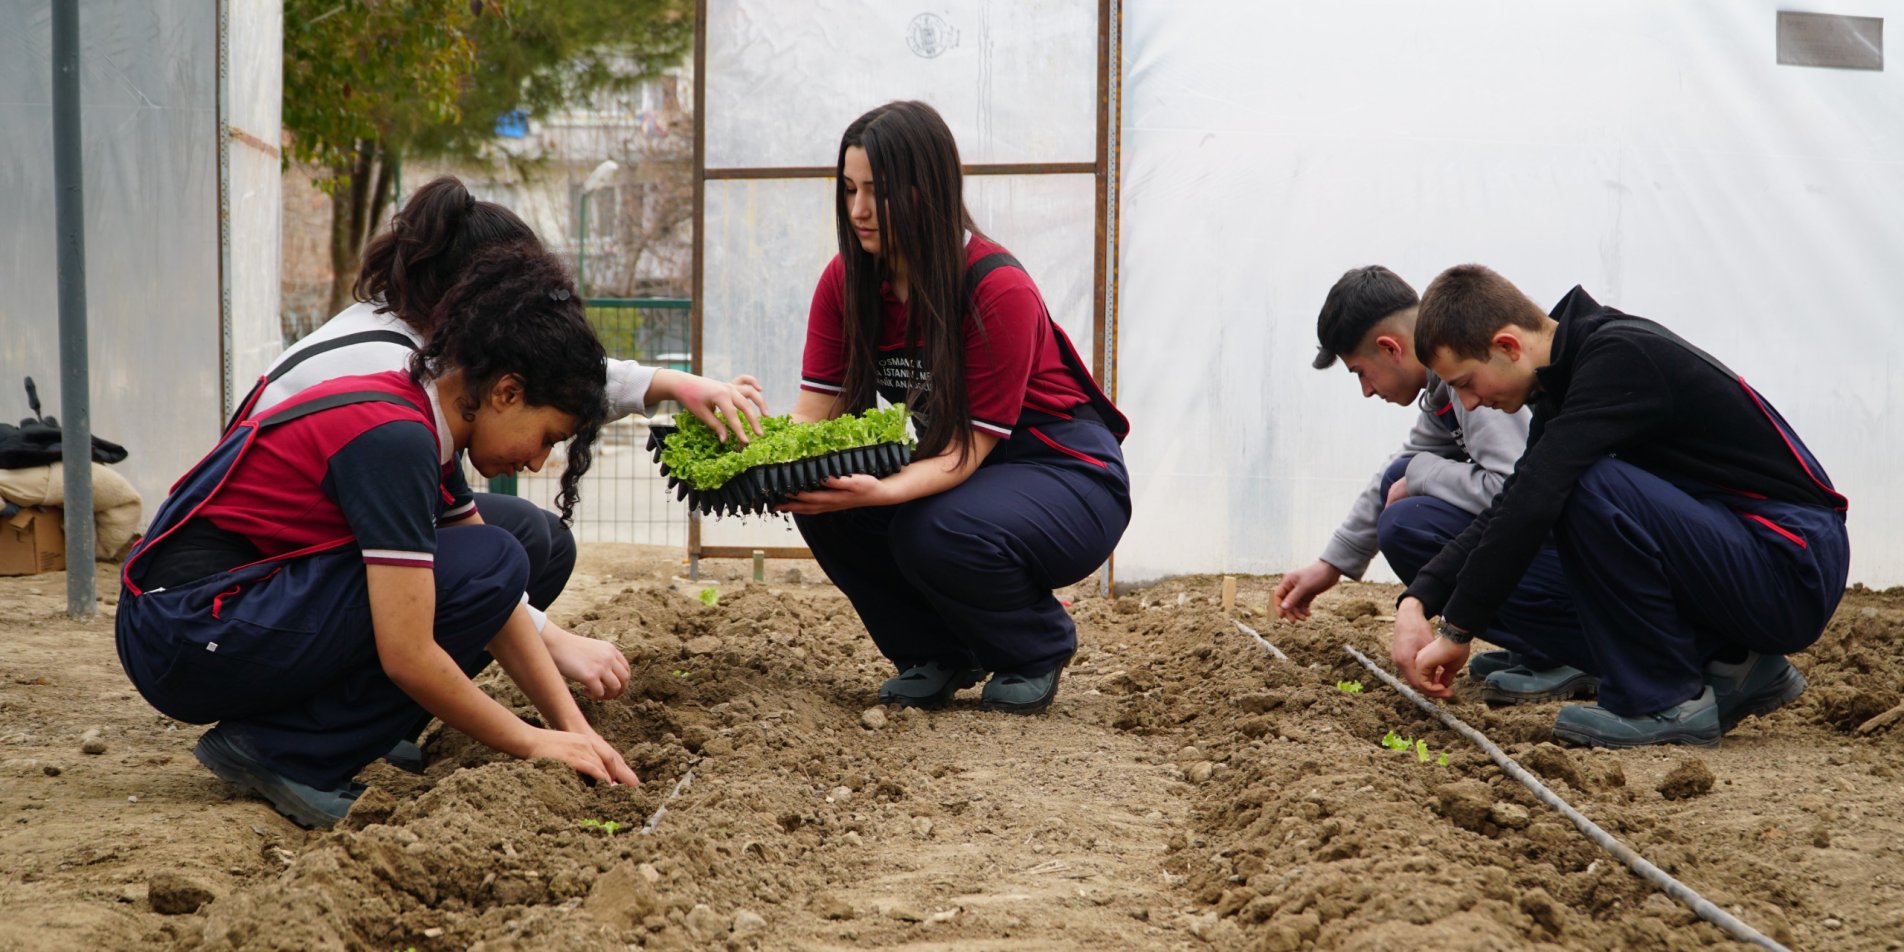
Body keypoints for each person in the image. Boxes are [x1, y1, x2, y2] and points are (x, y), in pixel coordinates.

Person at [116, 243, 640, 828]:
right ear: (507, 393)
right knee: (491, 557)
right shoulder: (395, 438)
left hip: (210, 617)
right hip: (186, 633)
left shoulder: (421, 419)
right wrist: (532, 742)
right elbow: (409, 653)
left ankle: (325, 734)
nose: (540, 462)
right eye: (547, 437)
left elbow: (501, 607)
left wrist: (575, 731)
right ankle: (288, 754)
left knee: (499, 556)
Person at [239, 175, 767, 705]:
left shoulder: (419, 343)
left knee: (534, 541)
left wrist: (670, 383)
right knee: (489, 558)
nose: (540, 462)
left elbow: (546, 377)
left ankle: (364, 716)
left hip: (304, 564)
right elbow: (533, 382)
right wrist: (549, 643)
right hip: (259, 585)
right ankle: (309, 734)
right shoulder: (391, 376)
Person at [1392, 264, 1849, 748]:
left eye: (1466, 382)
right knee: (1537, 494)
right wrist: (1419, 599)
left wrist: (1458, 629)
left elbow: (1536, 498)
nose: (1471, 400)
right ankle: (1732, 664)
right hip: (1742, 555)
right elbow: (1512, 501)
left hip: (1789, 562)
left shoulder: (1618, 357)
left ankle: (1663, 698)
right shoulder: (1564, 382)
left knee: (1581, 482)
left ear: (1507, 346)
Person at [780, 100, 1131, 715]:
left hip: (1065, 474)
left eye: (877, 192)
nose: (858, 210)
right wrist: (762, 462)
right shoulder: (847, 281)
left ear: (926, 192)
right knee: (823, 499)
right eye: (849, 189)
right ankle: (935, 653)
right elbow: (813, 420)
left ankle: (1035, 645)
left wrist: (880, 493)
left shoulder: (996, 287)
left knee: (932, 528)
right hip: (961, 472)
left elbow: (968, 450)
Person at [1273, 266, 1590, 703]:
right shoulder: (1443, 385)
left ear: (1390, 347)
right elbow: (1401, 466)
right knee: (1399, 484)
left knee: (1407, 526)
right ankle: (1540, 646)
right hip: (1559, 546)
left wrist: (1422, 475)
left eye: (1361, 373)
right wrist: (1331, 564)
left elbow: (1514, 488)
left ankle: (1566, 649)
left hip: (1581, 555)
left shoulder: (1475, 381)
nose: (1366, 390)